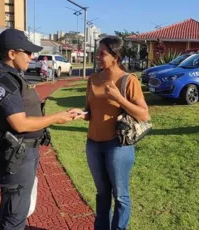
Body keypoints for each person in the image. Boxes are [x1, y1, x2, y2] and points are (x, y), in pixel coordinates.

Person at [0, 28, 79, 230]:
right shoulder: (1, 81)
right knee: (14, 216)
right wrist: (56, 118)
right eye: (27, 52)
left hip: (25, 152)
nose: (31, 57)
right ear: (11, 53)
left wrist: (62, 114)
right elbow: (20, 123)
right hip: (16, 155)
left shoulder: (13, 76)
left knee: (17, 210)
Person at [74, 36, 150, 230]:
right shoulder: (93, 79)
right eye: (97, 52)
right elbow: (91, 112)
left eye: (102, 53)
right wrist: (80, 114)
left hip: (117, 145)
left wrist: (119, 98)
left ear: (115, 56)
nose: (97, 56)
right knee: (102, 193)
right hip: (93, 144)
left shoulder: (128, 80)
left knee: (120, 195)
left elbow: (144, 114)